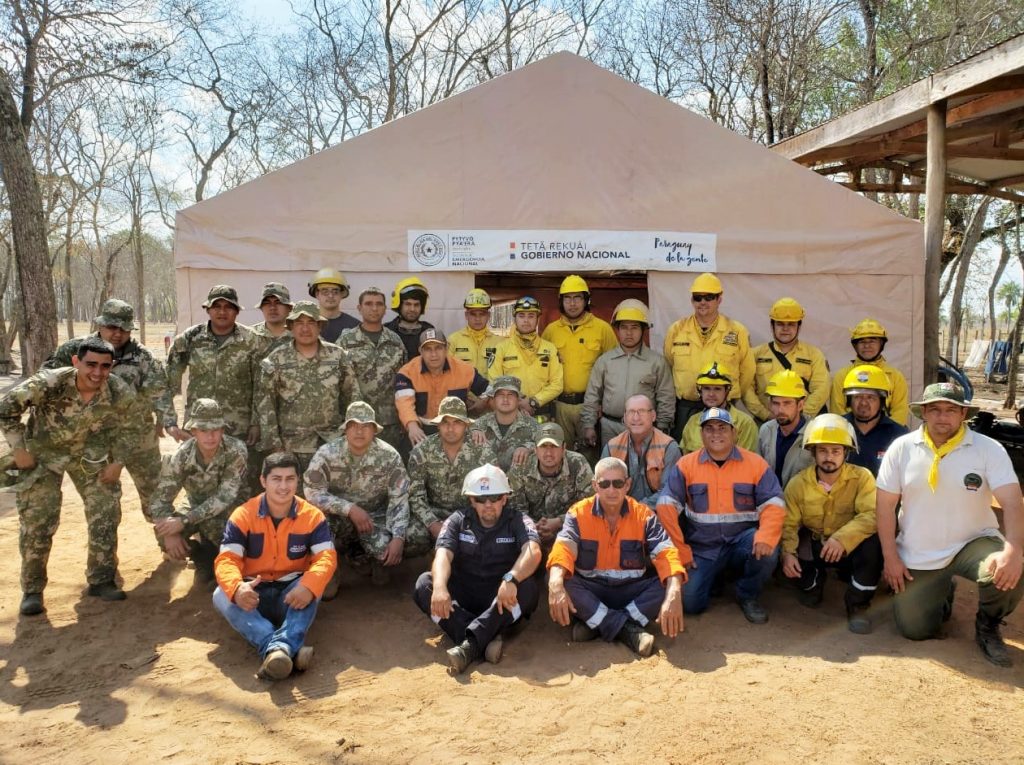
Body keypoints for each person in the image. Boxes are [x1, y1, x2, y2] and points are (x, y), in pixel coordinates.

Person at [877, 382, 1024, 667]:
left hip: (973, 541)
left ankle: (988, 625)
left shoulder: (987, 449)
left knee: (1007, 571)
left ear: (963, 413)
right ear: (923, 413)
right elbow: (884, 506)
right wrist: (890, 557)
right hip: (919, 549)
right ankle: (942, 591)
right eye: (935, 409)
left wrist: (1014, 550)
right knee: (915, 630)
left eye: (951, 410)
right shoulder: (902, 448)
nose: (942, 417)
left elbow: (1013, 501)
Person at [3, 337, 142, 615]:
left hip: (90, 455)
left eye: (105, 366)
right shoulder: (49, 383)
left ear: (112, 367)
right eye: (91, 364)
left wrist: (119, 463)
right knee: (38, 520)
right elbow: (6, 410)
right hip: (43, 453)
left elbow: (132, 427)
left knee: (105, 510)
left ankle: (101, 579)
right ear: (76, 362)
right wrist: (18, 449)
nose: (97, 372)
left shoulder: (118, 390)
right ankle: (32, 590)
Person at [42, 298, 170, 524]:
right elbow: (46, 381)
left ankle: (170, 546)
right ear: (100, 324)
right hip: (95, 439)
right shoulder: (75, 349)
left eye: (124, 329)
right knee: (104, 503)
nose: (118, 334)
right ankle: (105, 557)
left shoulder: (143, 356)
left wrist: (166, 419)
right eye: (112, 327)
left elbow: (159, 392)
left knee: (155, 494)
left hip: (138, 436)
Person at [213, 452, 338, 680]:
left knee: (314, 587)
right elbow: (227, 559)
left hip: (292, 595)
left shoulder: (313, 517)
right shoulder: (242, 516)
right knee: (221, 593)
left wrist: (309, 586)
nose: (283, 486)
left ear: (297, 481)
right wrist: (238, 588)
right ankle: (285, 648)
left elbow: (326, 557)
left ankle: (276, 651)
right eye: (276, 479)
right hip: (253, 597)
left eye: (290, 479)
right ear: (263, 481)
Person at [656, 407, 785, 623]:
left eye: (722, 428)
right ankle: (713, 578)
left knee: (769, 550)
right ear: (701, 434)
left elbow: (774, 503)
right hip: (703, 548)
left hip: (741, 543)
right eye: (709, 428)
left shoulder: (755, 464)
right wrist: (680, 550)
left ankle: (747, 594)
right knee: (691, 604)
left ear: (734, 433)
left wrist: (766, 535)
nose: (716, 434)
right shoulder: (686, 465)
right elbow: (666, 506)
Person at [547, 457, 684, 657]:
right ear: (595, 485)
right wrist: (555, 582)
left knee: (672, 583)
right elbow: (563, 549)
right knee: (558, 579)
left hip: (631, 591)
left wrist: (674, 591)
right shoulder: (578, 514)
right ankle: (628, 631)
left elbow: (667, 553)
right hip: (592, 590)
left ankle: (597, 624)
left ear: (627, 484)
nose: (612, 490)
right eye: (604, 484)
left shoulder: (644, 515)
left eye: (618, 483)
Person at [413, 464, 542, 673]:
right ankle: (485, 638)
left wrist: (512, 578)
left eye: (495, 497)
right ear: (472, 500)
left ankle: (469, 645)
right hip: (465, 594)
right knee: (423, 585)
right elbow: (443, 555)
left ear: (505, 498)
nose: (488, 504)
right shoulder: (457, 520)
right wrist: (439, 587)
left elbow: (533, 551)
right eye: (481, 499)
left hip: (501, 597)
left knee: (528, 588)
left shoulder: (518, 520)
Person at [781, 413, 881, 633]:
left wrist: (841, 539)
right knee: (808, 589)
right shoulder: (798, 484)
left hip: (849, 547)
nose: (829, 457)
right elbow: (788, 524)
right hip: (816, 545)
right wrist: (788, 553)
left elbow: (871, 514)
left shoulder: (862, 477)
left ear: (846, 453)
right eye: (823, 450)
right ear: (813, 453)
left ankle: (858, 604)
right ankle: (814, 582)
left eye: (836, 451)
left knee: (875, 544)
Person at [304, 401, 418, 594]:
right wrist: (349, 509)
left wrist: (398, 536)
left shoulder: (389, 456)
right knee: (316, 526)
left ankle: (373, 559)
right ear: (345, 429)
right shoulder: (327, 454)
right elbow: (312, 492)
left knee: (397, 545)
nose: (359, 432)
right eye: (354, 426)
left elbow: (399, 499)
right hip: (337, 517)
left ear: (374, 430)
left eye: (365, 426)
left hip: (375, 517)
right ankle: (328, 572)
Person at [256, 300, 359, 480]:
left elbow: (353, 397)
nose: (305, 328)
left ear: (320, 326)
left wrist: (348, 438)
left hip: (332, 444)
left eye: (311, 322)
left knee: (330, 497)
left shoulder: (338, 356)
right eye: (299, 323)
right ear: (291, 327)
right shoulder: (277, 359)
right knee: (293, 499)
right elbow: (266, 405)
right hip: (291, 446)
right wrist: (275, 446)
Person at [149, 398, 249, 583]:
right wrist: (170, 534)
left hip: (232, 508)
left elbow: (225, 497)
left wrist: (185, 520)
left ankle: (223, 562)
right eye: (203, 430)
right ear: (193, 431)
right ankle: (201, 556)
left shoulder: (235, 450)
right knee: (163, 534)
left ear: (222, 430)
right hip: (196, 503)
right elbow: (159, 500)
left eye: (215, 430)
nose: (210, 436)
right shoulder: (181, 455)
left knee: (227, 534)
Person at [165, 285, 262, 465]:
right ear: (208, 309)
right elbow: (168, 383)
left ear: (237, 311)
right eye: (217, 307)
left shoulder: (252, 341)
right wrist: (170, 422)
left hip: (238, 428)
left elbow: (261, 387)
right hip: (198, 428)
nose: (222, 312)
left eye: (228, 307)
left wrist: (256, 423)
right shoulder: (190, 338)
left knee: (240, 483)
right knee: (199, 482)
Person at [663, 272, 754, 440]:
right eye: (698, 297)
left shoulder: (736, 330)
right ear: (692, 300)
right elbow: (669, 364)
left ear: (719, 299)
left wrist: (729, 394)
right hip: (686, 408)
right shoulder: (676, 330)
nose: (703, 302)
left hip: (723, 407)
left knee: (724, 453)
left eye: (709, 297)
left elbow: (747, 371)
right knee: (688, 455)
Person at [581, 299, 674, 450]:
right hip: (610, 427)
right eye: (624, 327)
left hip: (645, 428)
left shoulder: (657, 362)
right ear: (617, 330)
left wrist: (663, 426)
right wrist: (588, 425)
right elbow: (592, 396)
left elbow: (666, 397)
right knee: (612, 469)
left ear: (643, 329)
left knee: (644, 470)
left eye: (634, 327)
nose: (629, 333)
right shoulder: (604, 361)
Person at [541, 275, 617, 456]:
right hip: (560, 407)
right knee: (560, 454)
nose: (572, 303)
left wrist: (603, 402)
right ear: (561, 301)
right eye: (567, 298)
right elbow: (542, 368)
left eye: (577, 298)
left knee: (590, 456)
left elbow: (613, 369)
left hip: (590, 407)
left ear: (586, 300)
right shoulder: (551, 330)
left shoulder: (602, 328)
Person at [407, 397, 497, 548]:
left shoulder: (482, 450)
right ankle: (427, 565)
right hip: (434, 512)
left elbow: (492, 492)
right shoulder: (422, 451)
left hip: (470, 514)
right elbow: (415, 495)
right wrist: (433, 524)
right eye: (445, 423)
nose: (450, 428)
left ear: (466, 425)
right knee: (412, 535)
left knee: (486, 538)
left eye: (457, 423)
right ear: (438, 426)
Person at [337, 287, 408, 450]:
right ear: (359, 308)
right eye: (368, 304)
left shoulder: (395, 341)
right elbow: (337, 381)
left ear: (385, 309)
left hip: (390, 422)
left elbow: (404, 381)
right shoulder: (346, 341)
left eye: (379, 304)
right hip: (357, 422)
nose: (374, 308)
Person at [395, 328, 490, 449]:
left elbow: (490, 393)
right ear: (420, 351)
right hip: (421, 429)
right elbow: (404, 403)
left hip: (456, 428)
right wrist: (412, 426)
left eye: (438, 348)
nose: (433, 354)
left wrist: (478, 415)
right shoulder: (407, 372)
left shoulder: (464, 370)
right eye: (428, 349)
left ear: (446, 348)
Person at [507, 422, 594, 548]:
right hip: (529, 530)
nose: (548, 453)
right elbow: (515, 509)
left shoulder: (577, 463)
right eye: (543, 446)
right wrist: (534, 528)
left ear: (564, 448)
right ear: (535, 449)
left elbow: (589, 506)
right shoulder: (521, 466)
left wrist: (559, 522)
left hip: (569, 529)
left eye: (554, 446)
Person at [743, 298, 830, 422]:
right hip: (766, 422)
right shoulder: (755, 354)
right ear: (772, 325)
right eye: (780, 324)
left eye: (791, 324)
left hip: (804, 423)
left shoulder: (814, 354)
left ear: (799, 327)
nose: (785, 329)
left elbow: (821, 389)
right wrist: (765, 415)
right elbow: (746, 389)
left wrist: (801, 417)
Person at [489, 296, 563, 422]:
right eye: (521, 316)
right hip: (511, 415)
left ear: (537, 319)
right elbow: (494, 382)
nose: (526, 320)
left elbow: (557, 384)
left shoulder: (550, 349)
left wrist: (533, 401)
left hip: (542, 414)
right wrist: (518, 401)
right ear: (515, 319)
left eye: (531, 316)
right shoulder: (501, 348)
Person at [601, 394, 681, 509]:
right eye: (631, 412)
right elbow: (604, 489)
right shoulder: (611, 447)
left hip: (657, 515)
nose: (636, 417)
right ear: (624, 417)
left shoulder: (669, 447)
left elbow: (670, 492)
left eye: (642, 411)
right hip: (620, 513)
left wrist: (637, 509)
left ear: (653, 416)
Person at [829, 318, 910, 425]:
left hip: (886, 435)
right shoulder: (842, 376)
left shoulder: (895, 376)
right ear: (855, 345)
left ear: (881, 344)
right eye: (862, 342)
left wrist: (886, 434)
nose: (867, 346)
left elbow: (900, 412)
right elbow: (838, 413)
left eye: (872, 341)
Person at [841, 364, 909, 476]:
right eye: (858, 397)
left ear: (882, 402)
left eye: (870, 397)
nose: (863, 403)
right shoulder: (837, 428)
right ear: (849, 400)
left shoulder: (898, 435)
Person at [680, 361, 758, 454]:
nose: (711, 394)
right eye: (706, 388)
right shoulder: (693, 422)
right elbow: (685, 459)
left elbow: (745, 461)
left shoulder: (745, 423)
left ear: (727, 391)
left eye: (717, 389)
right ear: (700, 391)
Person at [469, 376, 541, 472]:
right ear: (493, 399)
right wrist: (473, 432)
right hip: (487, 484)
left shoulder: (533, 426)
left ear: (518, 399)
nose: (505, 399)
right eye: (500, 395)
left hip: (521, 484)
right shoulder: (479, 425)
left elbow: (547, 451)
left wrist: (529, 447)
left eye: (510, 394)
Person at [757, 369, 813, 487]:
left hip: (802, 502)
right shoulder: (766, 430)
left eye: (787, 403)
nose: (780, 410)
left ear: (800, 405)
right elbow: (757, 472)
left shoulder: (815, 433)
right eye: (776, 403)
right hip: (770, 501)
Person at [448, 288, 502, 376]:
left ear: (488, 316)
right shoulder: (453, 340)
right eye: (473, 314)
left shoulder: (499, 342)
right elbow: (446, 372)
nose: (478, 319)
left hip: (490, 390)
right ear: (466, 315)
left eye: (482, 314)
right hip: (463, 390)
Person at [385, 277, 435, 361]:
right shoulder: (386, 331)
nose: (412, 309)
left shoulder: (429, 331)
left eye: (416, 305)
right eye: (408, 304)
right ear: (399, 305)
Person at [308, 267, 359, 343]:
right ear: (317, 294)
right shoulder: (306, 324)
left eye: (335, 292)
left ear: (341, 294)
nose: (330, 296)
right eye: (325, 291)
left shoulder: (355, 326)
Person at [250, 282, 293, 356]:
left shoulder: (301, 335)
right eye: (267, 303)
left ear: (289, 307)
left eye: (278, 302)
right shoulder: (249, 336)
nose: (272, 307)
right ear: (261, 308)